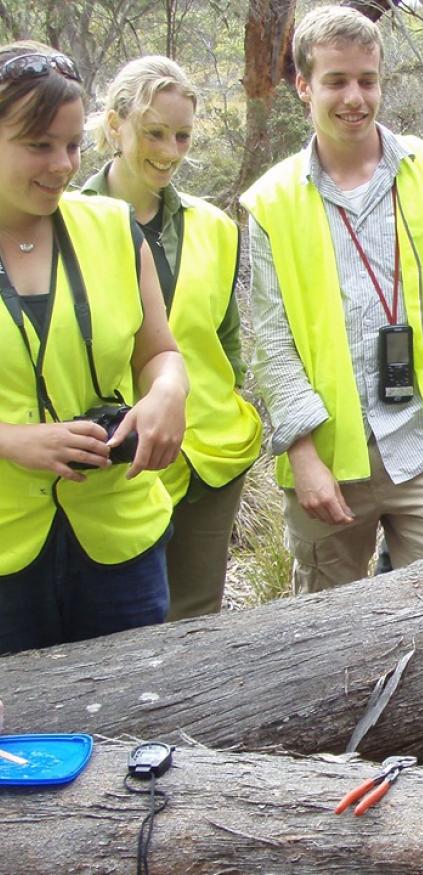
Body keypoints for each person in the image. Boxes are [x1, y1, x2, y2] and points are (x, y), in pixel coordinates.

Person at [241, 6, 423, 594]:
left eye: (367, 80)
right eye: (336, 81)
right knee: (325, 640)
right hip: (326, 459)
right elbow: (273, 343)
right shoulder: (273, 201)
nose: (354, 97)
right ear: (304, 86)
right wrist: (303, 456)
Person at [0, 42, 188, 653]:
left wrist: (167, 393)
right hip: (6, 552)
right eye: (38, 146)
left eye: (73, 145)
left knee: (129, 726)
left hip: (120, 538)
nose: (61, 165)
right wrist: (13, 441)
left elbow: (158, 351)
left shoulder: (112, 227)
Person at [84, 56, 262, 620]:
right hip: (114, 462)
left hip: (211, 453)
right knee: (122, 624)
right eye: (154, 132)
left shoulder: (216, 228)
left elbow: (225, 343)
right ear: (116, 125)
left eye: (182, 135)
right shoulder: (67, 222)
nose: (170, 150)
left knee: (194, 622)